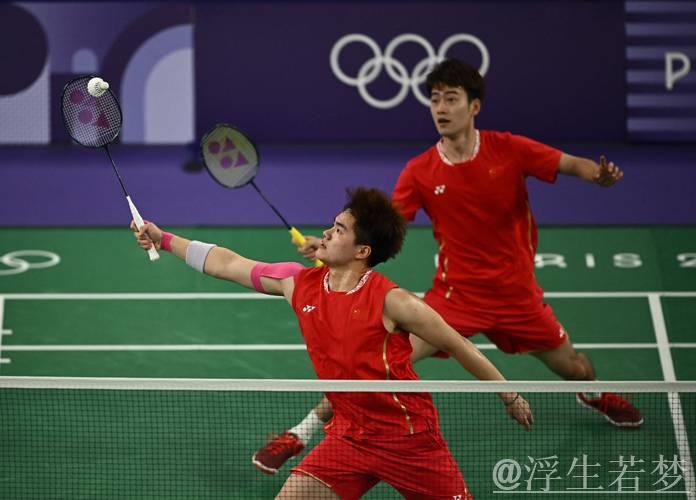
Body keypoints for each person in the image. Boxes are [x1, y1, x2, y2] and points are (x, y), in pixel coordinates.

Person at [252, 58, 641, 476]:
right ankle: (300, 432)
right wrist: (334, 247)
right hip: (456, 298)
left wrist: (597, 174)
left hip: (518, 297)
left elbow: (568, 164)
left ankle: (593, 393)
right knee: (371, 363)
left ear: (474, 106)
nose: (440, 108)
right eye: (435, 99)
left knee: (575, 368)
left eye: (451, 99)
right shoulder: (421, 171)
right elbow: (381, 226)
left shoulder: (508, 149)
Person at [132, 187, 533, 499]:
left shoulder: (394, 302)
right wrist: (164, 239)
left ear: (362, 251)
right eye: (332, 224)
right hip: (349, 435)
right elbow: (229, 263)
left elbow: (459, 344)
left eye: (339, 229)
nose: (326, 232)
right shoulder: (297, 283)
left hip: (408, 439)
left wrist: (509, 395)